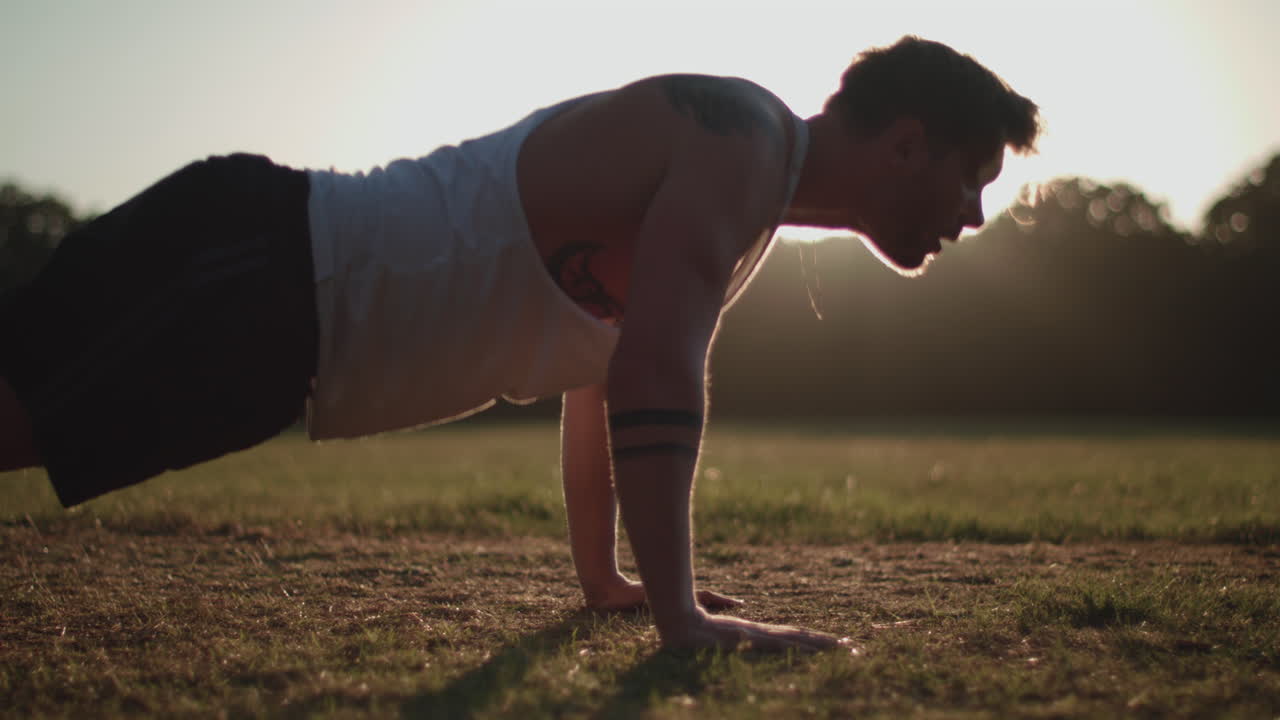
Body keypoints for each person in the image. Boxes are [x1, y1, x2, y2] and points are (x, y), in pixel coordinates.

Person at [0, 36, 1040, 652]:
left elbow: (596, 376)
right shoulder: (740, 138)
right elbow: (651, 367)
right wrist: (680, 616)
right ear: (906, 144)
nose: (975, 217)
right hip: (257, 264)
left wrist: (606, 583)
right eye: (971, 181)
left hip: (280, 340)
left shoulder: (748, 205)